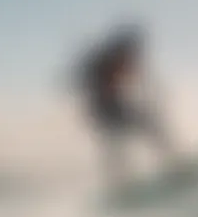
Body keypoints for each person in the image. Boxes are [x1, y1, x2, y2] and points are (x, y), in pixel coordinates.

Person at [72, 23, 175, 187]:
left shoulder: (123, 60)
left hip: (112, 106)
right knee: (118, 142)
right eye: (132, 50)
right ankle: (120, 182)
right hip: (103, 108)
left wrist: (156, 97)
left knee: (148, 126)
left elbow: (145, 81)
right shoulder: (105, 61)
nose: (135, 55)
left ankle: (170, 163)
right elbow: (90, 86)